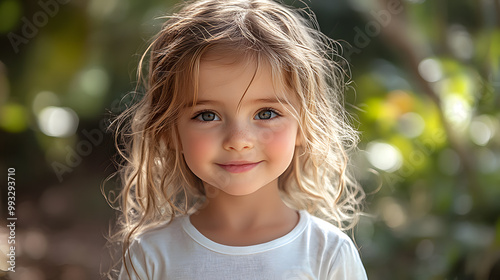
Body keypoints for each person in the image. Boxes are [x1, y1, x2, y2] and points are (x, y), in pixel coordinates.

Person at [105, 0, 367, 279]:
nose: (238, 140)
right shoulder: (152, 254)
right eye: (207, 115)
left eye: (266, 113)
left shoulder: (327, 253)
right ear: (170, 132)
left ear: (304, 124)